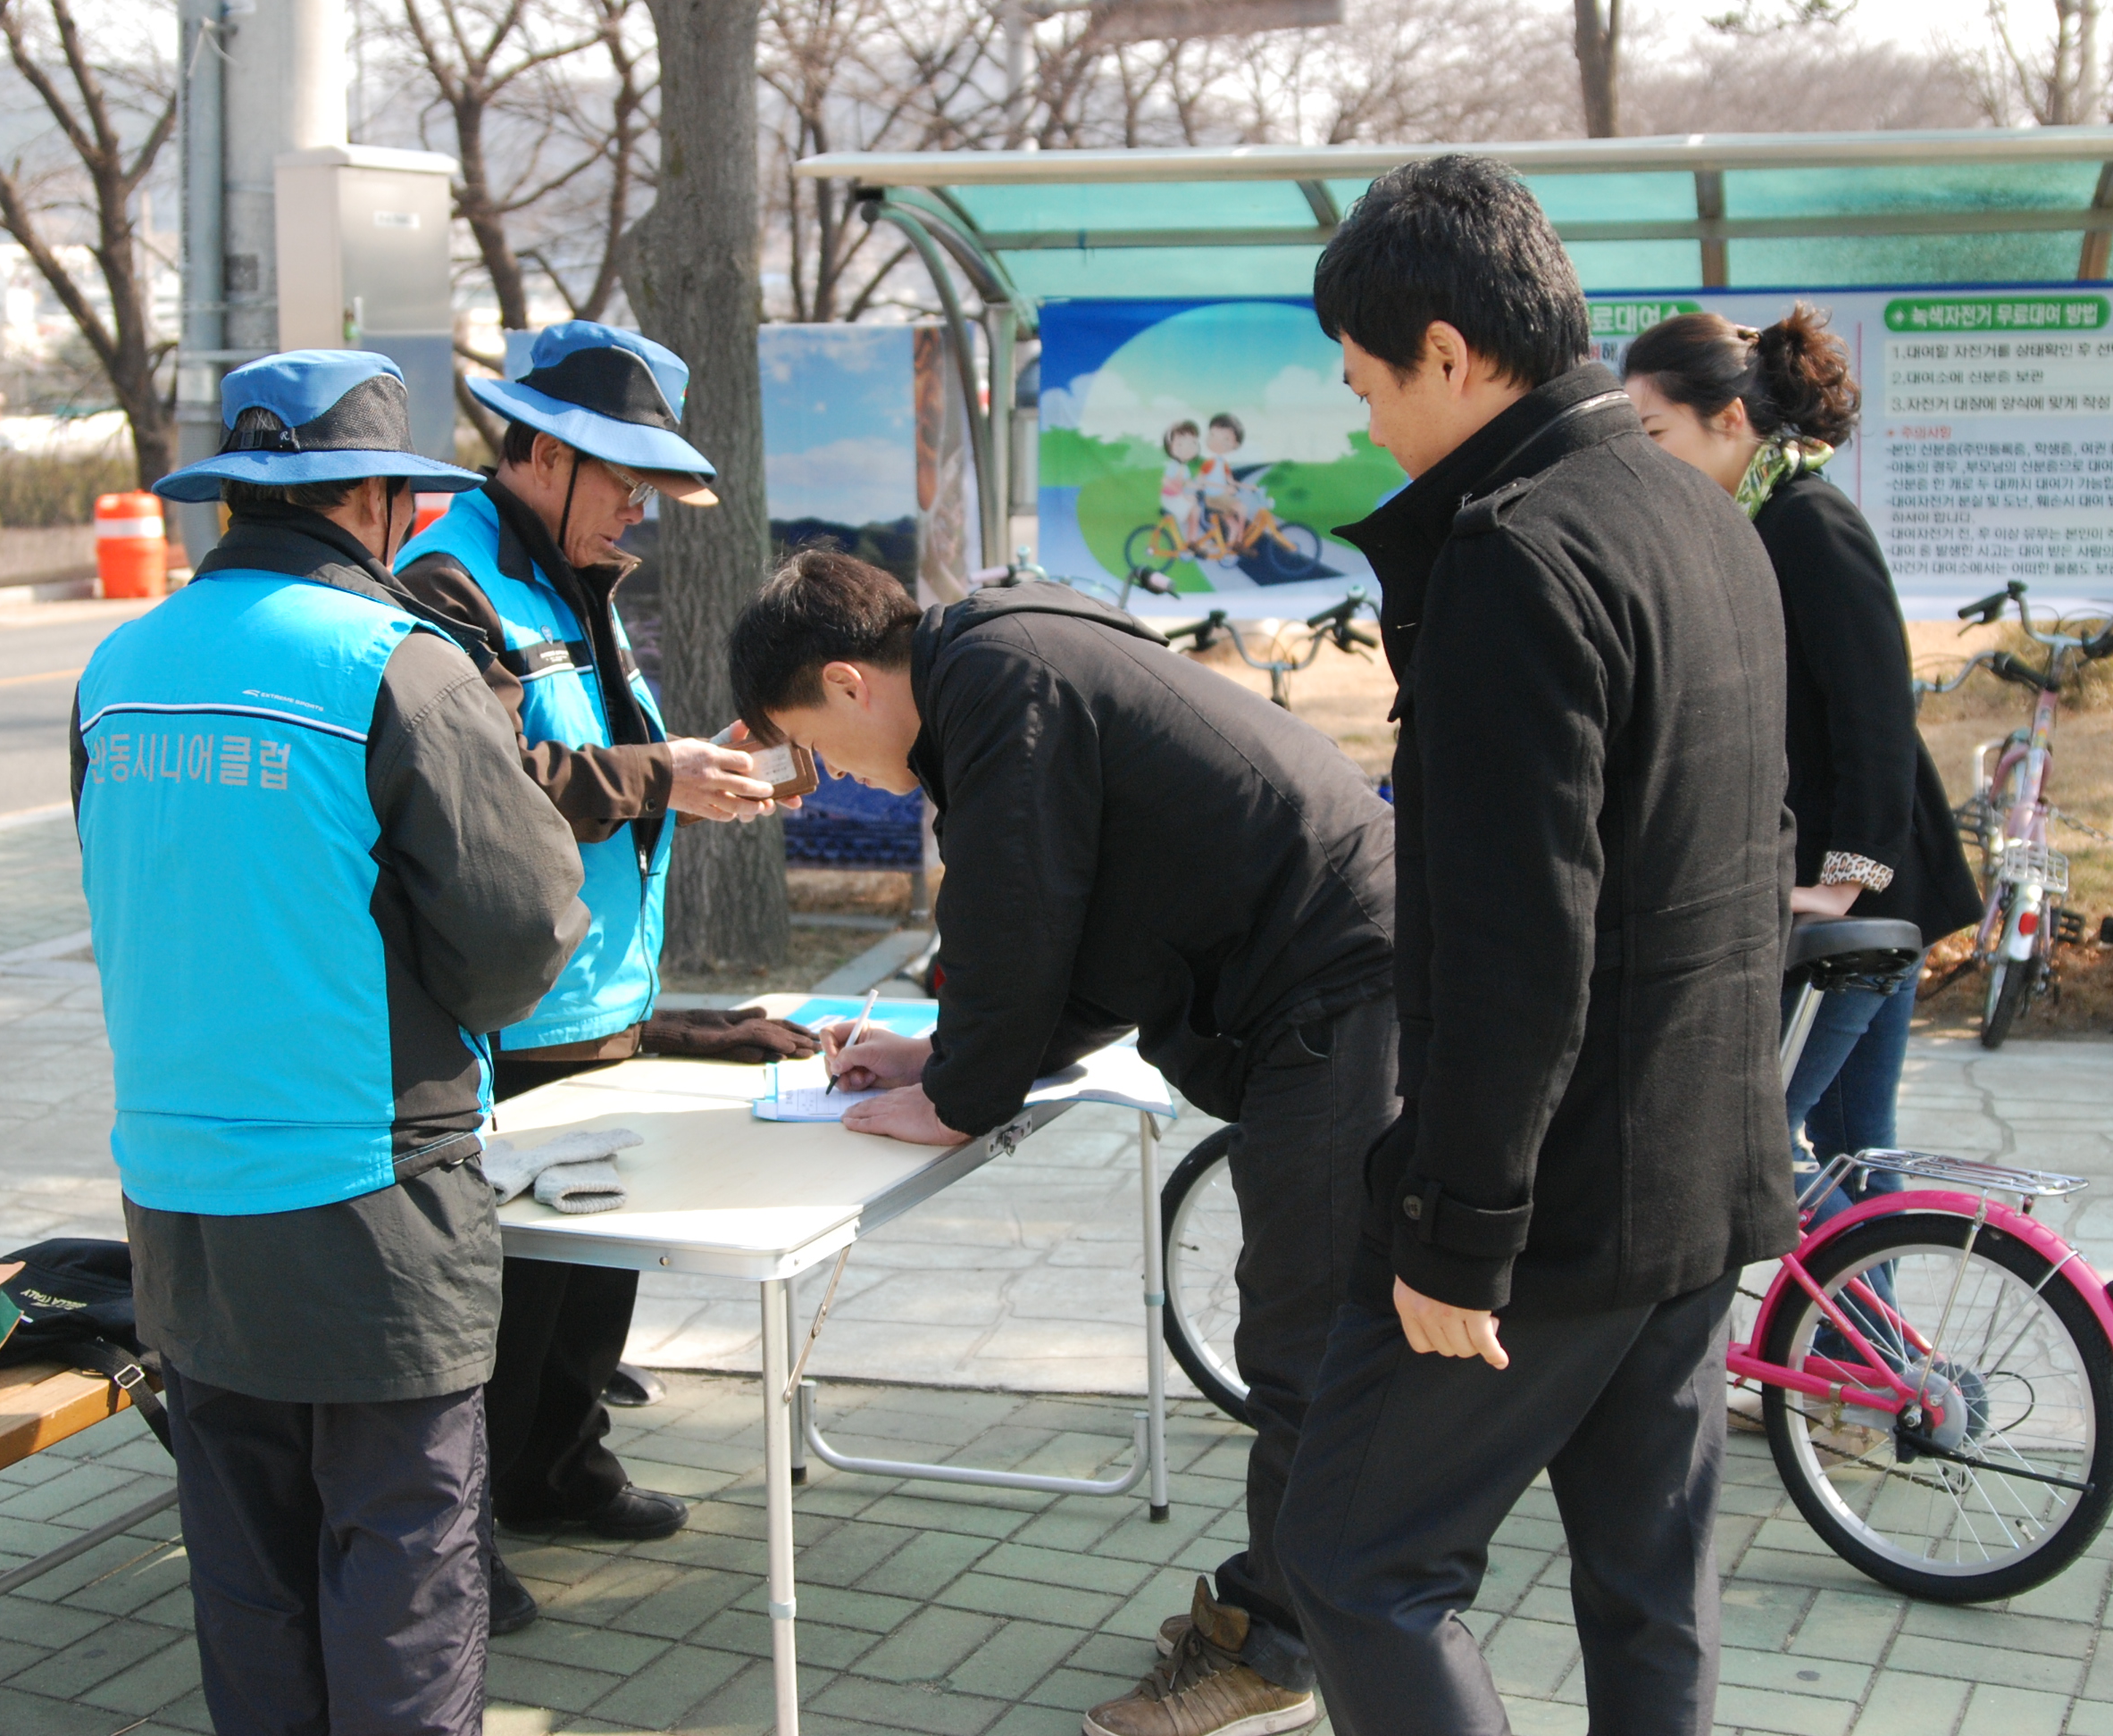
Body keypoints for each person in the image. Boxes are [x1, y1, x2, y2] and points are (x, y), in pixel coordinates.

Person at [1268, 155, 1799, 1736]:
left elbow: (1519, 940)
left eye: (1366, 381)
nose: (1365, 419)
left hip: (1554, 1198)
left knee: (1357, 1557)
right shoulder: (1697, 513)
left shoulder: (1515, 553)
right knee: (1650, 1579)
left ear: (1446, 349)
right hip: (1702, 1161)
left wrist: (1457, 1228)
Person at [727, 548, 1397, 1736]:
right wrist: (949, 1061)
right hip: (1333, 973)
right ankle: (1296, 1612)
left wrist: (963, 1094)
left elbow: (1017, 905)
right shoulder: (999, 654)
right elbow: (1081, 920)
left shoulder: (993, 681)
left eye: (821, 748)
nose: (843, 782)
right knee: (1309, 1329)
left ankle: (1277, 1652)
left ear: (847, 682)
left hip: (1344, 989)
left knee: (1306, 1340)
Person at [76, 349, 589, 1736]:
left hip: (179, 1199)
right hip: (367, 1198)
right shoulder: (392, 666)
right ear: (369, 497)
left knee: (249, 1576)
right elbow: (521, 933)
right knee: (404, 1573)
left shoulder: (117, 667)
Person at [394, 321, 820, 1628]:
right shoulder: (447, 586)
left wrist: (690, 777)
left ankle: (558, 1468)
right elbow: (472, 790)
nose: (641, 506)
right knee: (505, 1293)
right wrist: (659, 777)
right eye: (623, 477)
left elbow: (594, 756)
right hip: (511, 1002)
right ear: (535, 452)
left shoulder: (576, 578)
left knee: (590, 1275)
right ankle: (465, 1539)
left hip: (600, 996)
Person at [1622, 306, 1982, 1226]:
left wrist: (1845, 884)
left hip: (1855, 905)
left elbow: (1877, 719)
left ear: (1729, 420)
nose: (1646, 458)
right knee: (1858, 1152)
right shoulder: (1744, 525)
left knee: (1752, 1143)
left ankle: (1865, 1354)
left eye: (1655, 432)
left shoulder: (1808, 523)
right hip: (1843, 904)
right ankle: (1879, 1365)